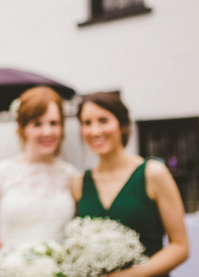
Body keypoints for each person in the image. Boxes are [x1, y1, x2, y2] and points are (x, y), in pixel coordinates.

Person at [70, 92, 189, 276]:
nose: (95, 131)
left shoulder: (152, 173)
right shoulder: (78, 183)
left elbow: (180, 247)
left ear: (122, 125)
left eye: (103, 120)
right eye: (87, 123)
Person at [0, 86, 78, 277]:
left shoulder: (72, 177)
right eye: (37, 124)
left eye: (54, 123)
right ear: (23, 128)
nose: (47, 131)